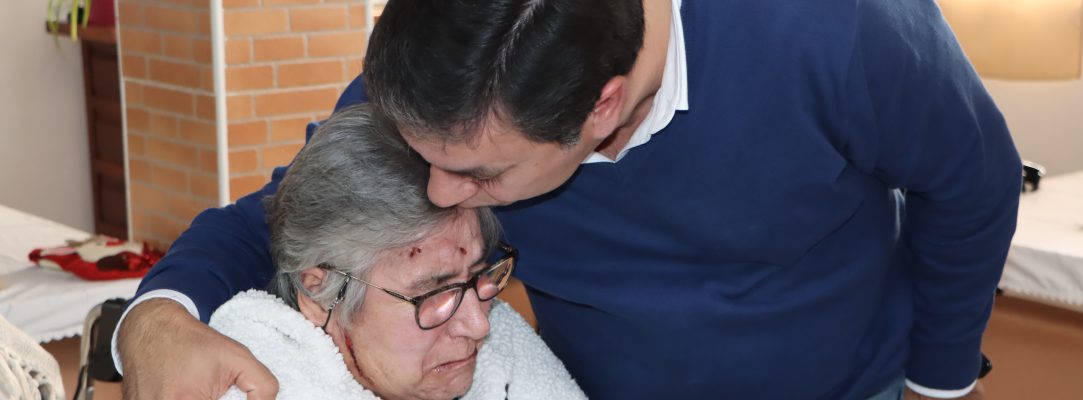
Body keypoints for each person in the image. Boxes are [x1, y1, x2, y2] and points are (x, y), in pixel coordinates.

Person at [115, 0, 1022, 399]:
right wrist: (154, 318)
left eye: (478, 179)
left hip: (844, 381)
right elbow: (281, 213)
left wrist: (937, 384)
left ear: (603, 110)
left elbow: (971, 180)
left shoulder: (836, 25)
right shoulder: (463, 88)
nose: (441, 194)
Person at [209, 105, 584, 400]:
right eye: (435, 292)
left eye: (477, 274)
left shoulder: (505, 357)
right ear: (320, 294)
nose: (479, 325)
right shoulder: (253, 384)